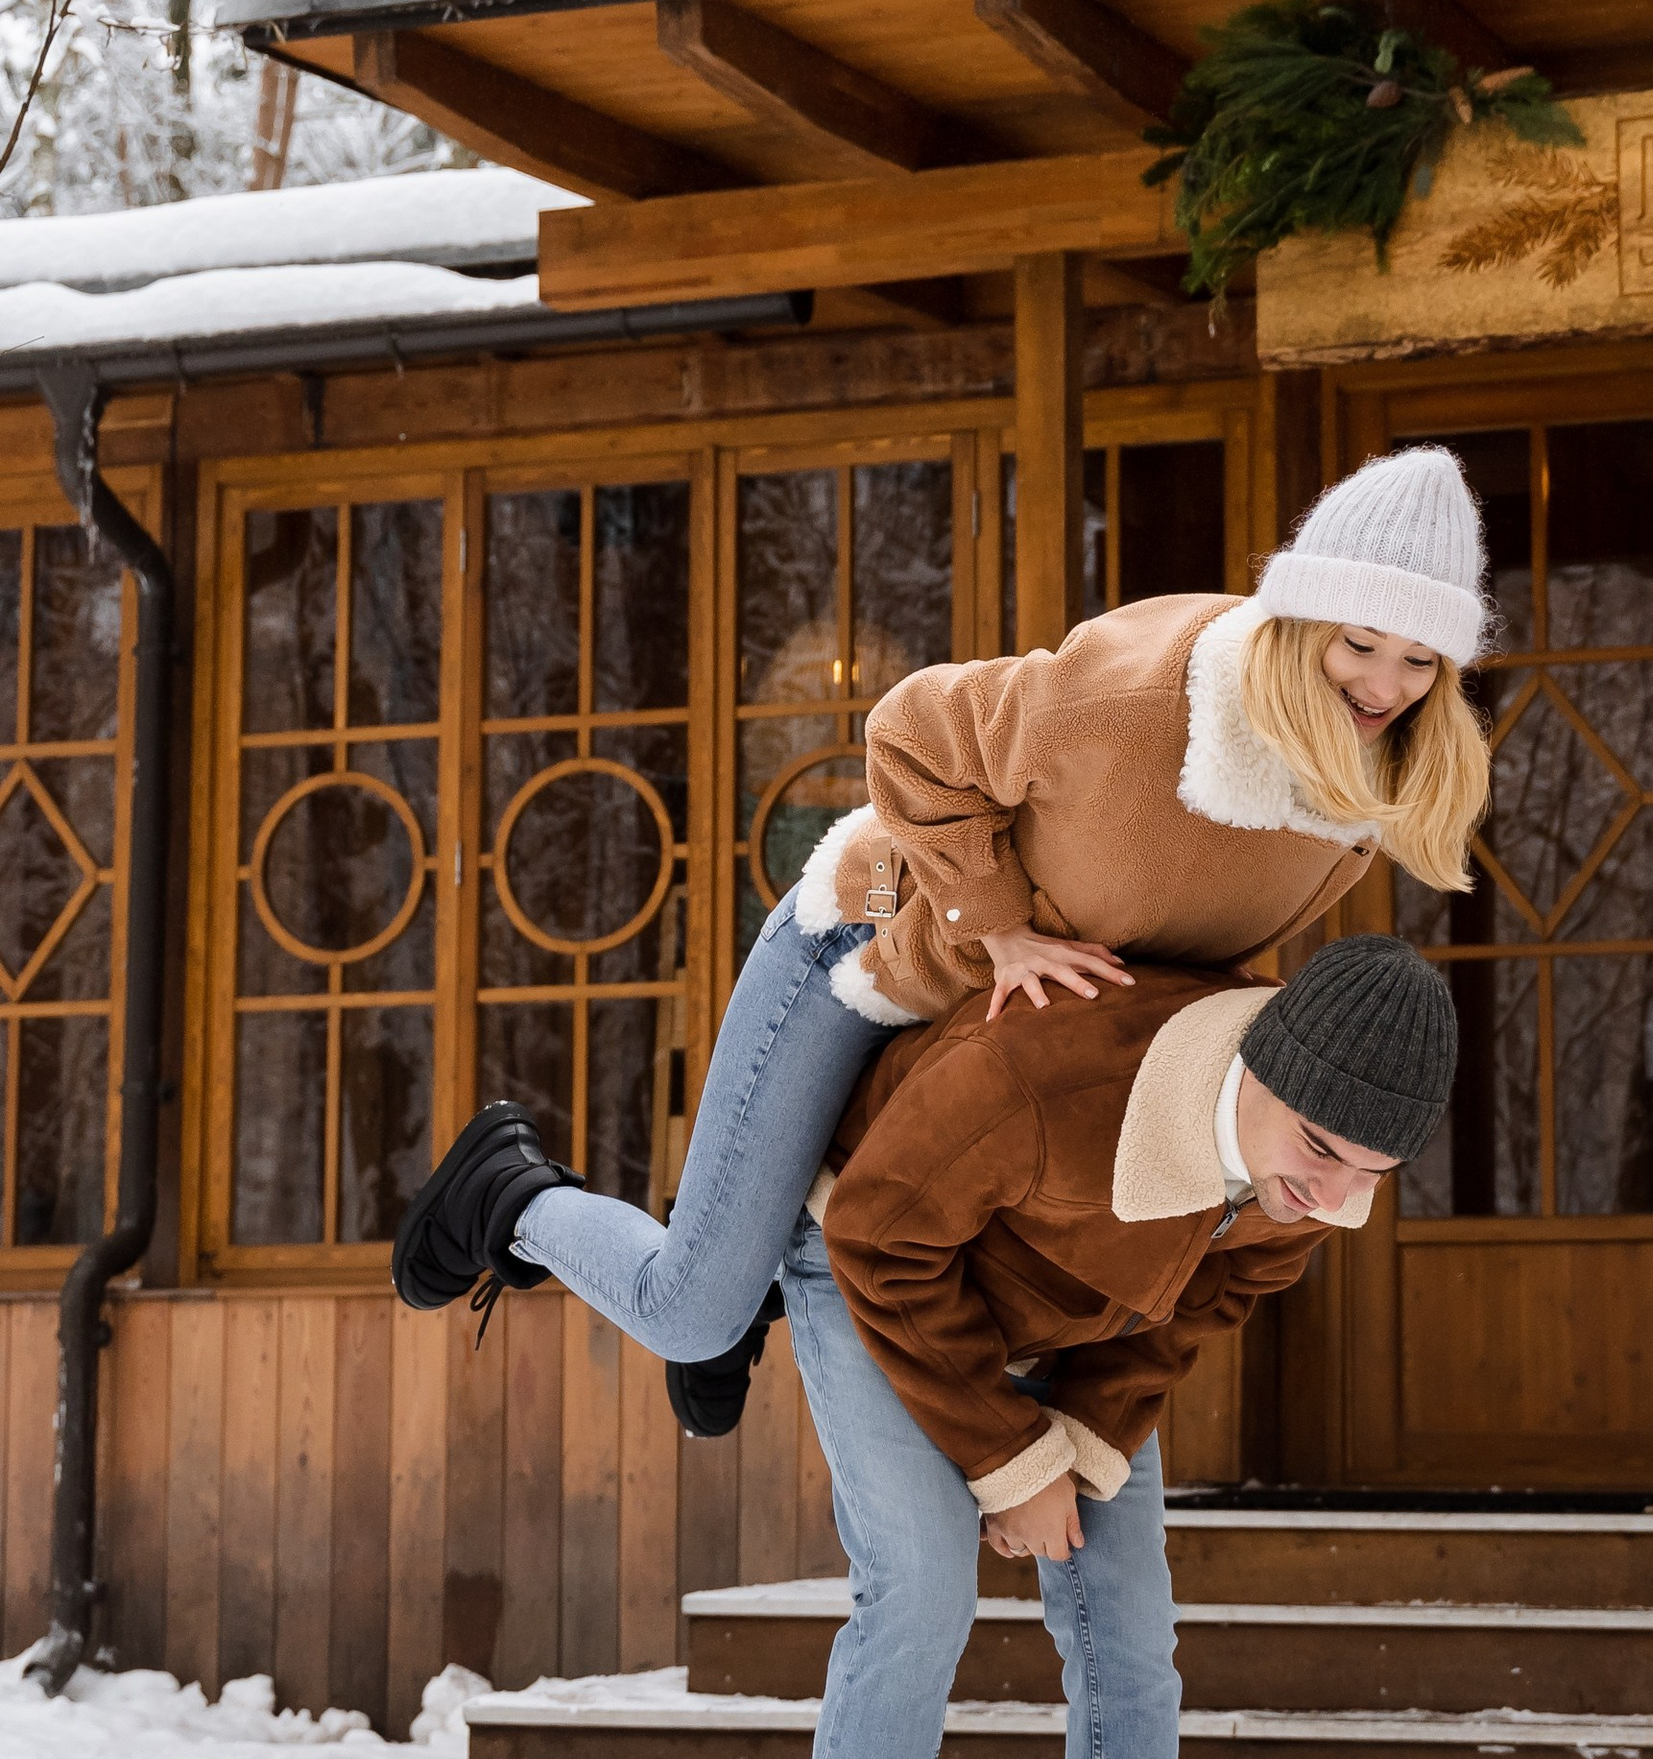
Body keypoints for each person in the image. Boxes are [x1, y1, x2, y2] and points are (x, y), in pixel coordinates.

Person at [390, 446, 1494, 1429]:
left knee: (820, 1227)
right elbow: (910, 734)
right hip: (873, 948)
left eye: (1420, 663)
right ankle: (514, 1194)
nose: (1384, 686)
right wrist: (999, 927)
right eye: (1360, 644)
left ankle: (749, 1265)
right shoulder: (1144, 699)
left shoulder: (1370, 784)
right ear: (1299, 620)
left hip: (995, 1045)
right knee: (688, 1306)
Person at [765, 930, 1461, 1759]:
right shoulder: (1045, 1078)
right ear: (1259, 1065)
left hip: (1072, 1326)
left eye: (1374, 1172)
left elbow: (1200, 1308)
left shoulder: (1297, 1188)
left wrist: (1071, 1448)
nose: (1334, 1196)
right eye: (1320, 1152)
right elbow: (879, 1234)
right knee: (918, 1600)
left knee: (1134, 1651)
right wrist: (1000, 1458)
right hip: (885, 1271)